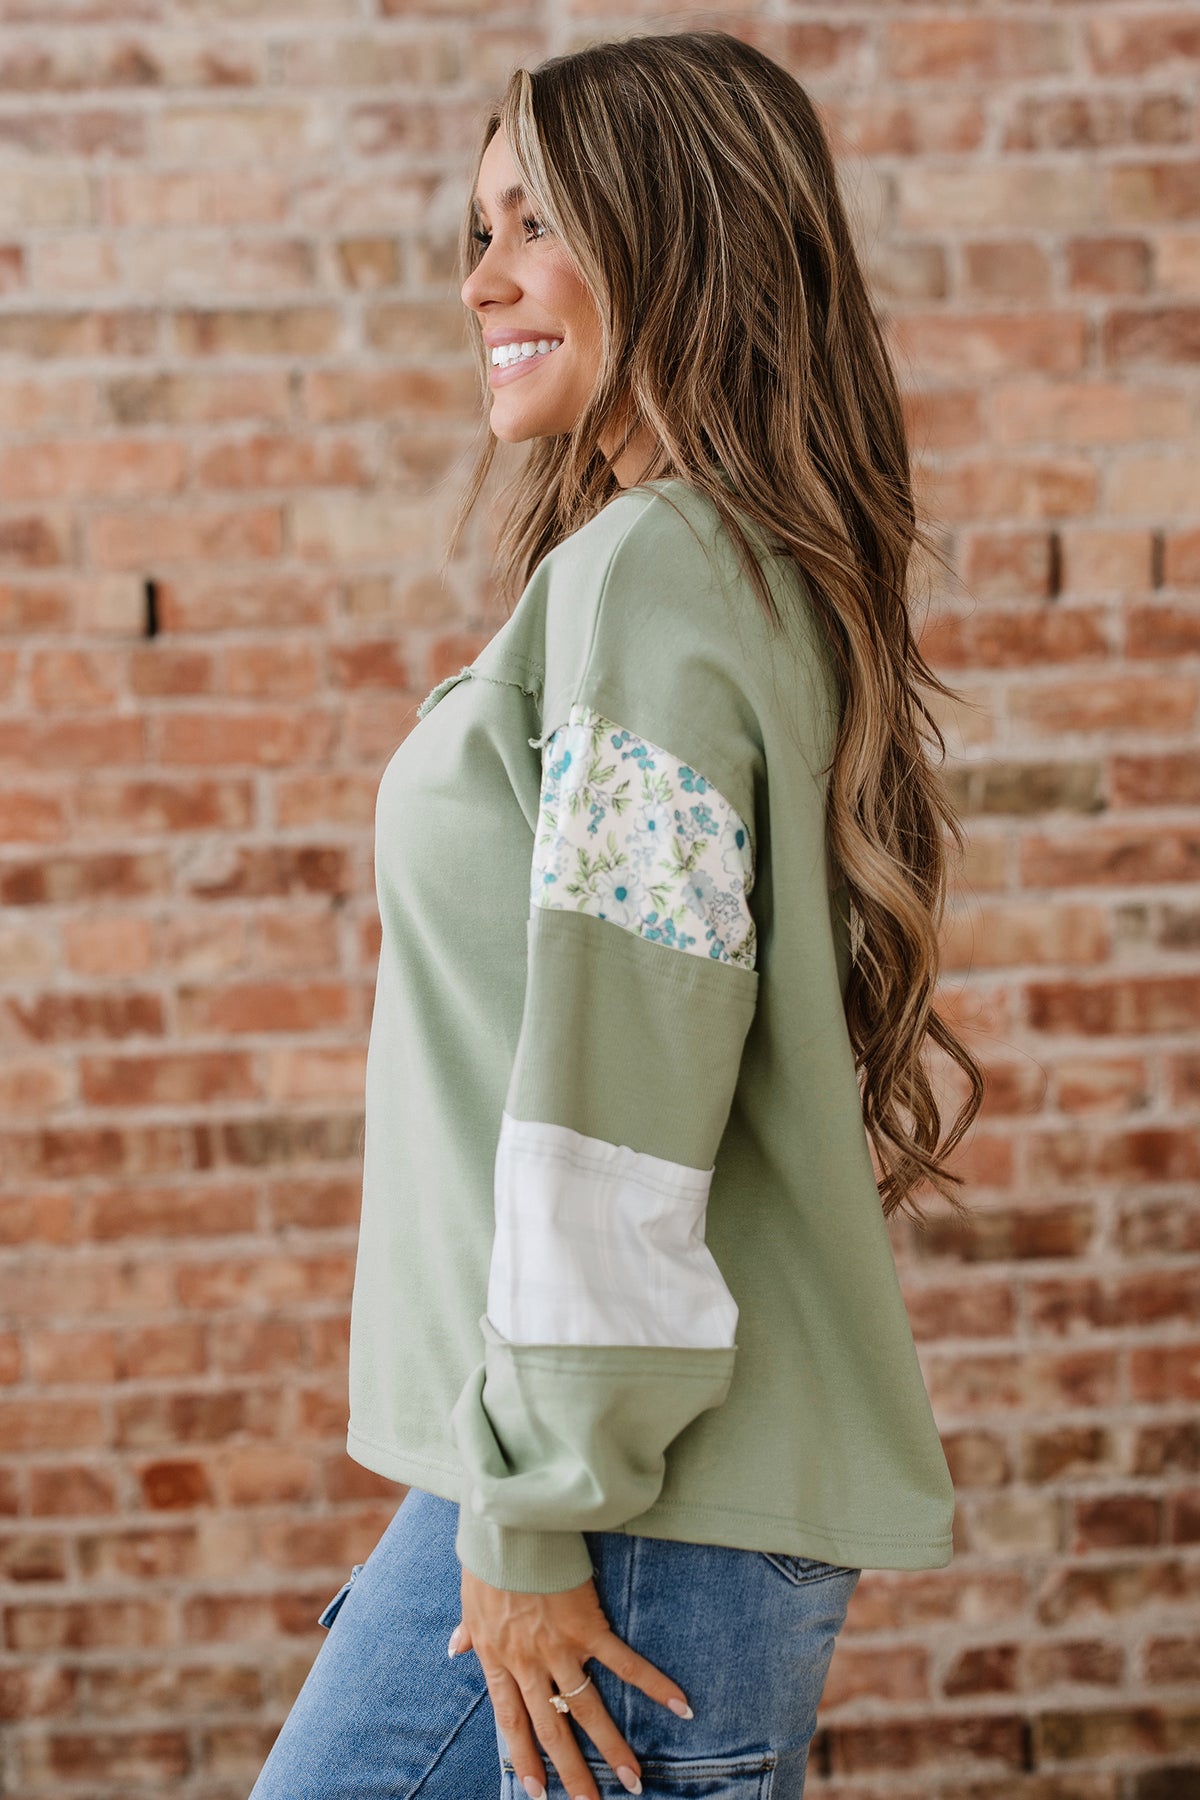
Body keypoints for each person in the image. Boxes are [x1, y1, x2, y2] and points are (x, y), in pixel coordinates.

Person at [248, 27, 986, 1800]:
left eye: (537, 225)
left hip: (620, 1500)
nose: (482, 281)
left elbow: (622, 1087)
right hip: (602, 1470)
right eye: (477, 231)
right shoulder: (712, 564)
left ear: (679, 235)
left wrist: (533, 1507)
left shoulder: (657, 576)